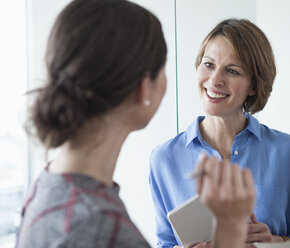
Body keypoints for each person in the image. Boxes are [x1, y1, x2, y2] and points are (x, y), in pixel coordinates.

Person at [16, 1, 256, 248]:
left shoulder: (47, 188)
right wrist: (229, 230)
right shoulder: (103, 227)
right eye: (163, 68)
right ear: (143, 88)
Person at [149, 18, 290, 248]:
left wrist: (275, 241)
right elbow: (164, 243)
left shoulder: (288, 151)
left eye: (232, 71)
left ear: (254, 85)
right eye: (209, 65)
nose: (215, 81)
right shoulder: (164, 158)